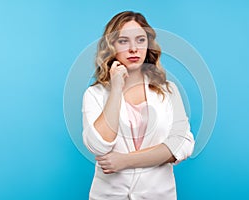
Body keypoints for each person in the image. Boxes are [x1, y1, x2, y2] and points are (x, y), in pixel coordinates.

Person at [82, 11, 195, 200]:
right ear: (111, 46)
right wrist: (116, 88)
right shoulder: (94, 94)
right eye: (123, 41)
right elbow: (99, 146)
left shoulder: (168, 91)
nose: (134, 48)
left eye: (141, 40)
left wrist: (125, 161)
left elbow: (183, 145)